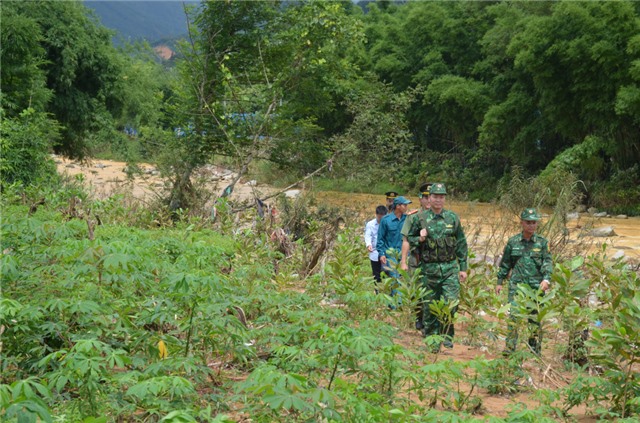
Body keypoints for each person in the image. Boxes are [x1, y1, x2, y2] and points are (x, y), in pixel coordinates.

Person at [403, 183, 468, 351]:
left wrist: (463, 268)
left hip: (449, 269)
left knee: (451, 303)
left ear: (444, 198)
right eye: (435, 196)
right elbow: (409, 239)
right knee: (430, 307)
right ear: (429, 198)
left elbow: (461, 243)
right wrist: (420, 239)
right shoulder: (420, 218)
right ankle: (432, 341)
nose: (438, 200)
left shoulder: (452, 218)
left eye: (442, 197)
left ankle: (446, 336)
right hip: (429, 270)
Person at [496, 208, 553, 355]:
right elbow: (505, 263)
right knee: (514, 316)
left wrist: (547, 279)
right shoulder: (513, 242)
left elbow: (547, 262)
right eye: (528, 222)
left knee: (535, 319)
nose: (531, 226)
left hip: (536, 287)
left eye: (534, 223)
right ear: (522, 223)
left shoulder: (542, 243)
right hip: (517, 287)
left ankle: (534, 350)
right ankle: (510, 349)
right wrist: (499, 282)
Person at [401, 182, 432, 330]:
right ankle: (419, 318)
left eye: (430, 197)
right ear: (420, 199)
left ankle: (431, 320)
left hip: (435, 261)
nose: (428, 201)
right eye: (425, 197)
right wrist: (403, 261)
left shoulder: (443, 218)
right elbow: (406, 240)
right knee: (417, 290)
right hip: (417, 260)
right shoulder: (413, 217)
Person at [376, 196, 411, 279]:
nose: (406, 207)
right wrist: (381, 254)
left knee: (405, 279)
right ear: (398, 206)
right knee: (395, 278)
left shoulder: (407, 219)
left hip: (404, 254)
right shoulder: (386, 220)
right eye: (404, 205)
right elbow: (381, 238)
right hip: (391, 255)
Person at [365, 205, 388, 285]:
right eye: (379, 217)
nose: (381, 220)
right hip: (374, 252)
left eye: (383, 217)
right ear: (376, 215)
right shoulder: (370, 224)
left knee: (387, 272)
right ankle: (377, 290)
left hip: (386, 251)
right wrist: (368, 244)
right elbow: (368, 235)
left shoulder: (388, 223)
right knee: (376, 273)